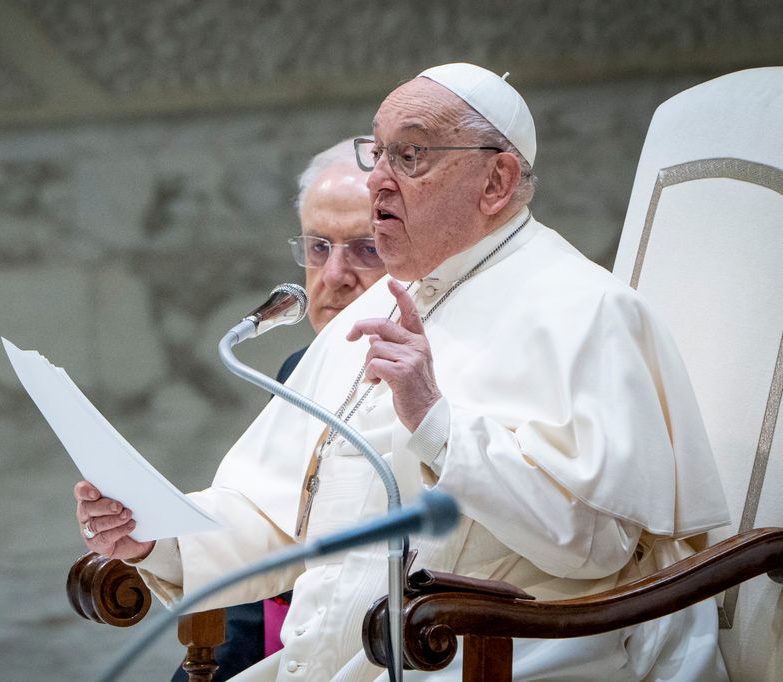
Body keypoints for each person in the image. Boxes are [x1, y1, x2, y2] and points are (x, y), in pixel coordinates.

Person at [75, 63, 730, 681]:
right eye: (378, 155)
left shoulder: (587, 311)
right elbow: (272, 511)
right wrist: (153, 534)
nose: (378, 181)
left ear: (496, 183)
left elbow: (598, 543)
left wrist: (435, 420)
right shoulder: (378, 306)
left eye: (409, 156)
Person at [170, 138, 387, 681]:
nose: (333, 276)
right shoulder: (299, 368)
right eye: (318, 247)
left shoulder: (446, 375)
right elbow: (260, 552)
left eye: (366, 249)